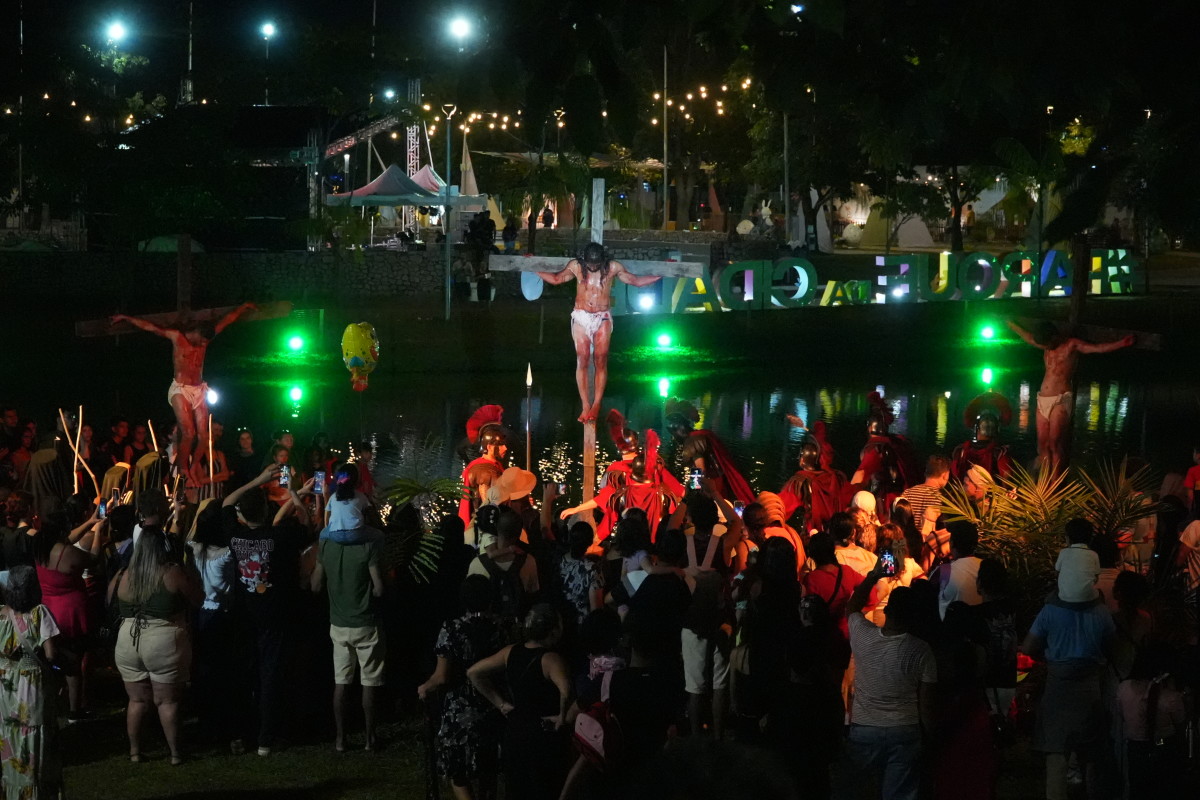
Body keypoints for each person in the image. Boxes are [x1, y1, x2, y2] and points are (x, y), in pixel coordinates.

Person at [111, 302, 257, 473]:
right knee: (188, 433)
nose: (203, 344)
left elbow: (227, 320)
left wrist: (243, 307)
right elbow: (152, 327)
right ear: (197, 333)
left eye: (206, 341)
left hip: (198, 389)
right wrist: (126, 317)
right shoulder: (178, 337)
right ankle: (182, 468)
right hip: (181, 389)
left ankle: (193, 466)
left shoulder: (205, 339)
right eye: (202, 340)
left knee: (204, 436)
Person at [222, 464, 307, 756]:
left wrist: (256, 480)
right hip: (273, 616)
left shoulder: (235, 535)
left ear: (242, 515)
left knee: (245, 676)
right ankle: (266, 739)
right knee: (270, 676)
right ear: (266, 511)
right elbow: (305, 521)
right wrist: (294, 492)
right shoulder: (278, 537)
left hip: (244, 616)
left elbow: (227, 502)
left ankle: (242, 735)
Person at [841, 565, 937, 800]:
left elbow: (852, 607)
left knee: (859, 792)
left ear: (887, 610)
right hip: (904, 730)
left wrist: (873, 576)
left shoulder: (863, 634)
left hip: (864, 728)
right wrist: (931, 737)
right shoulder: (921, 650)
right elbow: (926, 704)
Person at [537, 243, 663, 422]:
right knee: (582, 359)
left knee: (601, 359)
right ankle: (585, 405)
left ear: (602, 260)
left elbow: (635, 281)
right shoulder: (576, 266)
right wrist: (534, 269)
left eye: (596, 264)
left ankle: (596, 403)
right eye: (591, 264)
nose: (593, 267)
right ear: (585, 260)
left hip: (602, 316)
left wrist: (660, 275)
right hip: (581, 316)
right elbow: (557, 279)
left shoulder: (612, 267)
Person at [113, 526, 203, 764]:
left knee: (136, 700)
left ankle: (134, 751)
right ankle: (175, 753)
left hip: (128, 639)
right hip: (163, 639)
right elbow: (198, 598)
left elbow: (109, 601)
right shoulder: (172, 572)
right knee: (167, 701)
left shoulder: (125, 574)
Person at [468, 604, 572, 800]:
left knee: (517, 789)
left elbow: (474, 672)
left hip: (515, 731)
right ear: (553, 630)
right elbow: (566, 691)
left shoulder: (510, 652)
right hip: (542, 734)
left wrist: (500, 703)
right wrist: (562, 717)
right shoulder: (551, 659)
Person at [1006, 319, 1135, 475]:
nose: (1046, 347)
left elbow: (1097, 348)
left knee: (1055, 444)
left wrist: (1121, 343)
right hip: (1043, 399)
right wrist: (1012, 324)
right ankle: (1044, 480)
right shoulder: (1045, 343)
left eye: (1048, 344)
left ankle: (1054, 482)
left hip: (1061, 398)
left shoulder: (1071, 345)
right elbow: (1028, 337)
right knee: (1042, 445)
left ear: (1054, 337)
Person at [1022, 589, 1116, 800]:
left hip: (1058, 687)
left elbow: (1028, 647)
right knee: (1091, 754)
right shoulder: (1101, 612)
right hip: (1090, 687)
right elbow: (1112, 648)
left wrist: (1048, 655)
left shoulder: (1050, 610)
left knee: (1056, 754)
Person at [311, 490, 385, 752]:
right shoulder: (368, 545)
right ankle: (369, 738)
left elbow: (315, 585)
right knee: (369, 682)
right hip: (366, 623)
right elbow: (379, 588)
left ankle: (341, 739)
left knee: (341, 682)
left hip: (338, 624)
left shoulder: (326, 546)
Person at [418, 575, 504, 800]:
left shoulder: (452, 629)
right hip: (493, 704)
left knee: (458, 772)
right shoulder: (501, 627)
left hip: (460, 710)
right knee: (488, 770)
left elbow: (441, 676)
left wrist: (425, 687)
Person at [0, 564, 63, 798]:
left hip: (6, 685)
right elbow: (51, 653)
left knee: (10, 734)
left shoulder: (1, 614)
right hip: (31, 685)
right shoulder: (39, 613)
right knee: (34, 734)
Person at [32, 513, 101, 720]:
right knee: (73, 662)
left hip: (49, 610)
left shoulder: (40, 548)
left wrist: (90, 522)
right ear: (62, 531)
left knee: (55, 658)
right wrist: (98, 531)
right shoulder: (67, 553)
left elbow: (67, 540)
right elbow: (94, 559)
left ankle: (57, 704)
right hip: (71, 613)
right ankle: (74, 710)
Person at [188, 500, 244, 753]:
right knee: (227, 674)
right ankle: (228, 729)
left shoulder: (194, 548)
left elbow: (192, 532)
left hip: (202, 615)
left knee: (205, 672)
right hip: (223, 616)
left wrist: (199, 513)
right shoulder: (227, 555)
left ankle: (207, 726)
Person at [951, 392, 1015, 482]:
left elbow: (954, 479)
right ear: (997, 429)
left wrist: (980, 399)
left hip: (962, 491)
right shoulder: (1000, 454)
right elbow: (1007, 485)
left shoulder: (960, 451)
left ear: (977, 427)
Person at [935, 520, 983, 619]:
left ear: (951, 543)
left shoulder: (944, 571)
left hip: (951, 626)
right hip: (981, 626)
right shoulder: (987, 567)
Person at [320, 464, 379, 544]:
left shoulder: (333, 496)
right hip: (355, 534)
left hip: (335, 535)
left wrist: (327, 528)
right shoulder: (361, 496)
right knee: (379, 535)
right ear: (356, 480)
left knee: (322, 534)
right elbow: (369, 509)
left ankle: (324, 550)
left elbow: (327, 515)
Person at [900, 455, 950, 544]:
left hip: (908, 544)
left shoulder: (907, 493)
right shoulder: (942, 498)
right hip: (929, 546)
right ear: (944, 475)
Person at [1055, 518, 1100, 603]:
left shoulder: (1063, 552)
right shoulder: (1093, 554)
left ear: (1068, 538)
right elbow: (1096, 577)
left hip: (1064, 597)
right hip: (1088, 598)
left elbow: (1057, 572)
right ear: (1090, 538)